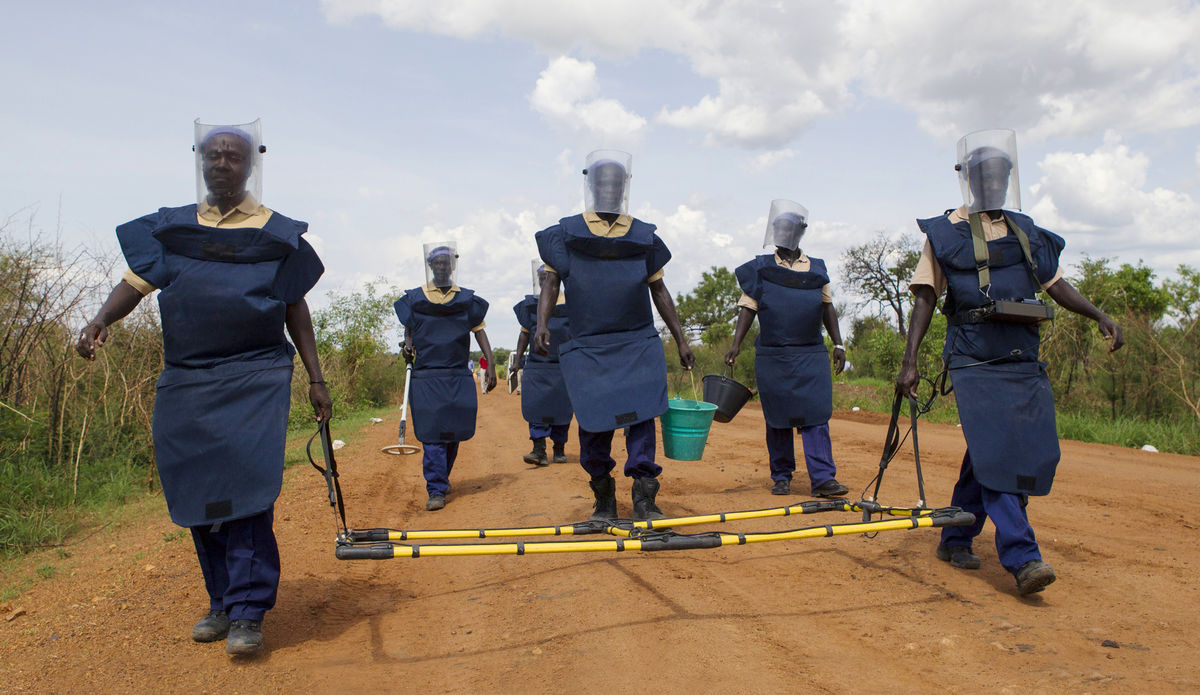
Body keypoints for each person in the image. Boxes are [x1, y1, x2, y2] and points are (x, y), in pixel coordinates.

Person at [75, 120, 330, 655]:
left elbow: (295, 310)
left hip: (256, 375)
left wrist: (316, 377)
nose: (221, 163)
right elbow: (135, 284)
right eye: (213, 155)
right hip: (188, 378)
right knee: (200, 491)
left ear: (250, 164)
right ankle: (220, 601)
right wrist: (100, 321)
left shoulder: (275, 233)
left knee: (246, 490)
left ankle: (248, 611)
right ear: (201, 161)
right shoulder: (173, 231)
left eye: (233, 156)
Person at [896, 129, 1123, 596]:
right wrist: (910, 362)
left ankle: (956, 535)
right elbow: (924, 298)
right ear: (971, 179)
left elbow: (1056, 285)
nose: (995, 183)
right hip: (975, 361)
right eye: (987, 175)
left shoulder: (1024, 230)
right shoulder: (946, 232)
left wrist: (1098, 314)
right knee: (999, 451)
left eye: (1003, 175)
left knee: (998, 453)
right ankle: (1023, 557)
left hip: (1022, 357)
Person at [535, 150, 694, 521]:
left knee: (642, 421)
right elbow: (551, 283)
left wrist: (681, 339)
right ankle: (604, 498)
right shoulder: (564, 235)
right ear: (591, 185)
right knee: (594, 423)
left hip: (637, 343)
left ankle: (644, 499)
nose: (609, 187)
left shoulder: (642, 236)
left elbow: (660, 291)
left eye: (615, 182)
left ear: (624, 187)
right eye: (602, 181)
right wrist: (542, 324)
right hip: (590, 347)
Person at [725, 200, 850, 498]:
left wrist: (838, 343)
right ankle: (781, 476)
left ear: (799, 232)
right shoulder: (762, 268)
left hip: (810, 354)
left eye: (789, 228)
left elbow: (827, 307)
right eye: (779, 228)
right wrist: (735, 345)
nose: (784, 233)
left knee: (816, 414)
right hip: (774, 355)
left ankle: (822, 479)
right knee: (778, 416)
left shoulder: (817, 268)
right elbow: (748, 307)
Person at [394, 242, 496, 511]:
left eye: (446, 263)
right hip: (427, 376)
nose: (441, 267)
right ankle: (436, 488)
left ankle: (443, 476)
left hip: (457, 375)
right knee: (432, 435)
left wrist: (491, 364)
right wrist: (407, 345)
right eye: (437, 263)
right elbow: (409, 330)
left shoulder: (466, 300)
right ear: (430, 266)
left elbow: (479, 332)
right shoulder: (415, 298)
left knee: (452, 433)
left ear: (452, 267)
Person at [512, 260, 574, 466]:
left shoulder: (571, 305)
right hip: (537, 366)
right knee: (535, 407)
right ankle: (539, 450)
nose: (543, 281)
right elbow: (524, 335)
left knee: (561, 409)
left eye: (546, 278)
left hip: (563, 366)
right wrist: (518, 359)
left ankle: (559, 449)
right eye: (540, 278)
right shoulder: (531, 306)